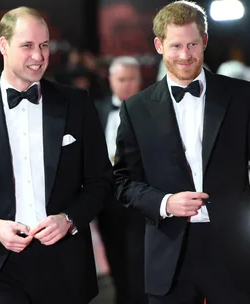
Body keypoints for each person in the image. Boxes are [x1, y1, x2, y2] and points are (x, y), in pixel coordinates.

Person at [113, 1, 250, 304]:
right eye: (175, 46)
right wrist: (165, 202)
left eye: (192, 44)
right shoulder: (136, 108)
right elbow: (122, 182)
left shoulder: (243, 96)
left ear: (205, 41)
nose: (185, 55)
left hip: (235, 254)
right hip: (169, 255)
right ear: (159, 45)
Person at [0, 6, 111, 304]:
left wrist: (68, 219)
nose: (38, 56)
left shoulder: (76, 104)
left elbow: (101, 181)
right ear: (4, 46)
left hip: (64, 264)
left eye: (44, 46)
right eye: (27, 46)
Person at [95, 56, 147, 304]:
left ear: (140, 80)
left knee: (140, 263)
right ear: (111, 80)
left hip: (142, 200)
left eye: (131, 79)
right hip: (107, 202)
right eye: (121, 79)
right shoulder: (96, 110)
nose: (126, 84)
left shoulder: (152, 110)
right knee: (115, 260)